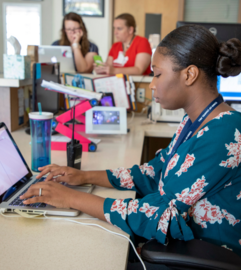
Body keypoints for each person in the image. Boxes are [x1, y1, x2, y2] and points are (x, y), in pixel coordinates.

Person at [21, 25, 241, 268]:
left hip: (199, 256)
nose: (152, 85)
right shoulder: (195, 121)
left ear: (189, 75)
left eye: (157, 74)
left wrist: (71, 199)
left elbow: (159, 213)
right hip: (181, 246)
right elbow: (154, 172)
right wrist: (84, 176)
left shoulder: (224, 133)